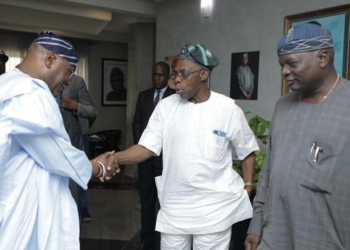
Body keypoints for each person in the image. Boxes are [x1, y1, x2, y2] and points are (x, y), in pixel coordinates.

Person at [114, 43, 259, 249]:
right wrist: (113, 158)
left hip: (214, 210)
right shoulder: (166, 107)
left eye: (183, 73)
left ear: (203, 74)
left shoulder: (227, 109)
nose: (177, 79)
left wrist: (248, 186)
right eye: (175, 74)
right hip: (175, 208)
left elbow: (247, 150)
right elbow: (146, 147)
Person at [0, 31, 118, 249]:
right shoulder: (30, 92)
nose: (67, 81)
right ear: (50, 59)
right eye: (69, 72)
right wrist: (97, 167)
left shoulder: (6, 84)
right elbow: (54, 153)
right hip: (22, 204)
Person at [245, 23, 350, 250]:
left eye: (292, 64)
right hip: (275, 238)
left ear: (323, 57)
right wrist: (256, 224)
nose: (284, 72)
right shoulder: (282, 106)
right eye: (282, 65)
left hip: (327, 240)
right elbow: (269, 172)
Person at [132, 61, 175, 250]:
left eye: (160, 75)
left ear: (168, 77)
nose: (156, 78)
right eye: (154, 75)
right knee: (147, 202)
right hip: (145, 160)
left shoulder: (176, 97)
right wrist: (145, 148)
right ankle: (147, 240)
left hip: (166, 160)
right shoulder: (143, 96)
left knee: (167, 203)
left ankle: (168, 240)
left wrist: (160, 150)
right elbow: (137, 123)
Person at [60, 74, 97, 221]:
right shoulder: (44, 80)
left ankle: (82, 207)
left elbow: (92, 111)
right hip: (53, 138)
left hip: (76, 137)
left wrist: (75, 106)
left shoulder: (77, 81)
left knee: (79, 174)